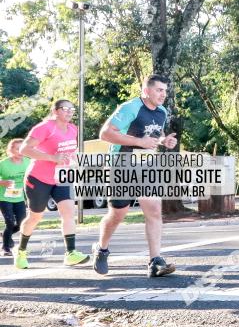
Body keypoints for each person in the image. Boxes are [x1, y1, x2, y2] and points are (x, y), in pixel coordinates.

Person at [92, 74, 178, 278]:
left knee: (155, 210)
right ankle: (101, 249)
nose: (163, 94)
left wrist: (164, 141)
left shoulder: (161, 112)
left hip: (145, 167)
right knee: (118, 214)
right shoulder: (130, 107)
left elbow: (152, 136)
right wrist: (139, 142)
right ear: (146, 91)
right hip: (120, 166)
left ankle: (155, 261)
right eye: (159, 90)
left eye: (165, 90)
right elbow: (105, 134)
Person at [15, 100, 89, 268]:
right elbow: (24, 149)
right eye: (65, 109)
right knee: (35, 217)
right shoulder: (44, 127)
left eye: (72, 109)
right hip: (38, 178)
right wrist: (52, 158)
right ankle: (21, 252)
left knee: (69, 212)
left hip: (62, 177)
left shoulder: (73, 129)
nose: (70, 112)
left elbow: (70, 150)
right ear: (55, 111)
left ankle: (70, 253)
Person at [0, 139, 31, 256]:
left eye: (22, 148)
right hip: (4, 198)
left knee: (21, 223)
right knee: (10, 223)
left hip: (19, 198)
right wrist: (2, 182)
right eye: (17, 149)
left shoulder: (28, 162)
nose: (20, 151)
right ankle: (6, 248)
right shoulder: (3, 164)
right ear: (10, 150)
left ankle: (6, 235)